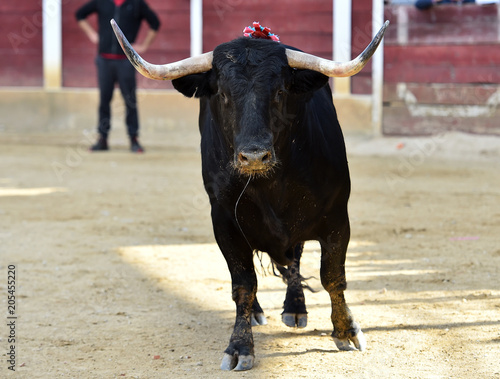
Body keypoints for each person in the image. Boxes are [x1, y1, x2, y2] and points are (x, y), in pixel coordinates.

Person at [75, 0, 160, 153]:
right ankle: (103, 139)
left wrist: (144, 46)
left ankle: (134, 139)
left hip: (126, 62)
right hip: (104, 60)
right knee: (104, 100)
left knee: (130, 100)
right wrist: (92, 34)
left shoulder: (137, 3)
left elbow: (155, 23)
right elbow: (80, 15)